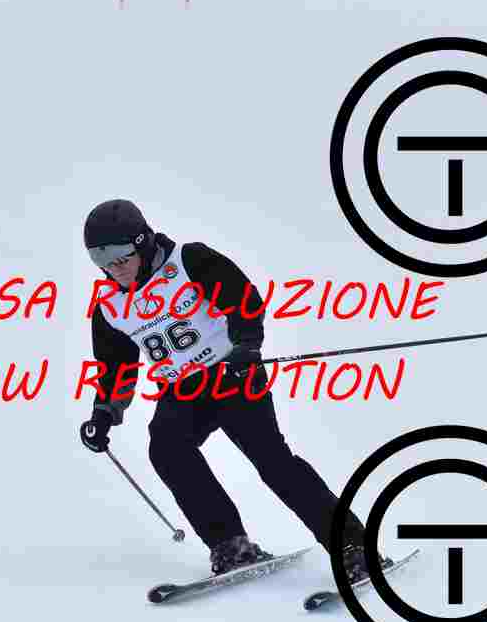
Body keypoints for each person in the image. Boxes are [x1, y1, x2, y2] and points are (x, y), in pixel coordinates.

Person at [77, 199, 390, 580]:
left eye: (121, 258)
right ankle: (229, 544)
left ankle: (353, 546)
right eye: (102, 262)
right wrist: (103, 414)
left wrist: (246, 347)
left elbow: (244, 301)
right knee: (166, 448)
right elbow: (116, 368)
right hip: (182, 390)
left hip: (232, 376)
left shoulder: (189, 261)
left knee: (273, 462)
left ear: (143, 243)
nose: (115, 269)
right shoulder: (109, 307)